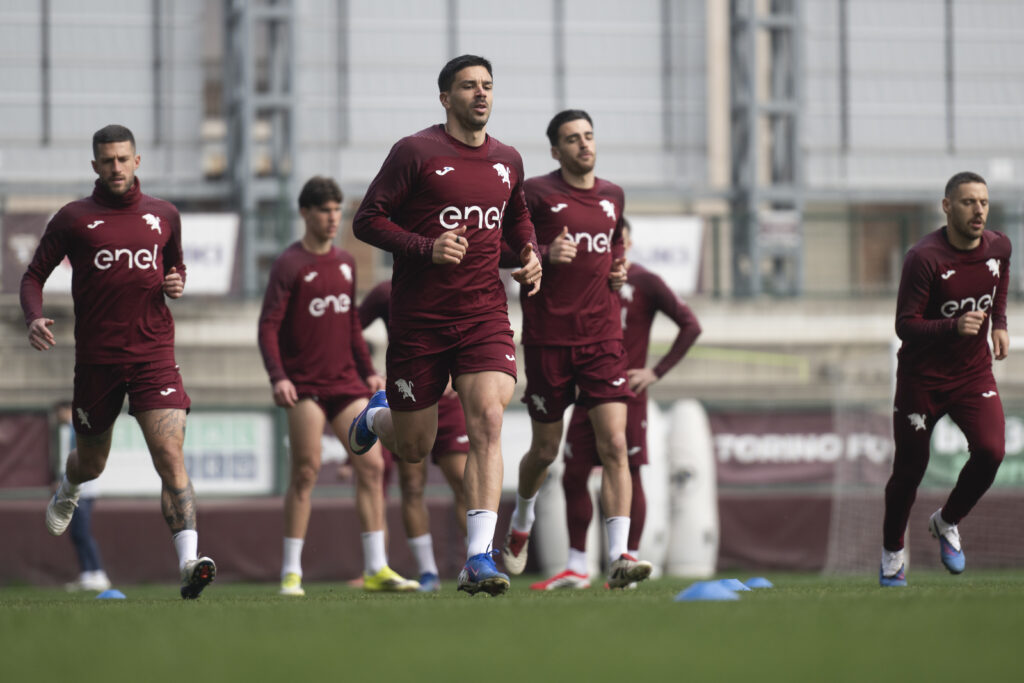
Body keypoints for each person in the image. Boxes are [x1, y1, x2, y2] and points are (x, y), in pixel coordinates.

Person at [350, 54, 541, 596]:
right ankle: (379, 415)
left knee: (488, 418)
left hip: (483, 316)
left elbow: (518, 217)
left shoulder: (508, 159)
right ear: (445, 97)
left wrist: (529, 254)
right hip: (420, 323)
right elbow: (367, 220)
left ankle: (479, 557)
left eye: (487, 85)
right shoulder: (415, 152)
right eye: (468, 86)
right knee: (413, 448)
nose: (480, 94)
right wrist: (424, 248)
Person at [21, 124, 215, 599]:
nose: (116, 168)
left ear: (137, 161)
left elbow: (176, 266)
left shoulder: (164, 214)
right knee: (93, 464)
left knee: (170, 458)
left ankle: (189, 562)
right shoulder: (73, 219)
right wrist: (34, 317)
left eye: (123, 159)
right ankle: (69, 486)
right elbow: (32, 276)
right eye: (107, 161)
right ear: (95, 166)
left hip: (153, 357)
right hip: (97, 362)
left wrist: (176, 281)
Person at [500, 109, 650, 590]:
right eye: (572, 139)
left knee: (613, 448)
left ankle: (621, 556)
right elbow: (501, 249)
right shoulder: (535, 195)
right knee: (544, 451)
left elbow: (616, 243)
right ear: (555, 150)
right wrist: (544, 253)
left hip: (604, 340)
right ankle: (522, 520)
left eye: (588, 136)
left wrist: (619, 268)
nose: (584, 145)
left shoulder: (612, 195)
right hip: (548, 342)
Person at [257, 176, 418, 596]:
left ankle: (376, 567)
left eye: (337, 211)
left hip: (346, 382)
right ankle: (291, 571)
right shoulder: (288, 265)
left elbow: (350, 324)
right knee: (306, 470)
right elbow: (268, 326)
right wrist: (279, 377)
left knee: (374, 466)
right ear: (305, 213)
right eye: (325, 211)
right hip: (305, 386)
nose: (333, 219)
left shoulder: (346, 263)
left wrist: (366, 370)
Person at [530, 219, 702, 589]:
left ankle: (628, 559)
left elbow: (690, 325)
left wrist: (655, 372)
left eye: (616, 238)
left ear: (627, 241)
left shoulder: (646, 281)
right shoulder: (581, 281)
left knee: (628, 470)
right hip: (586, 390)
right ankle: (577, 566)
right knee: (573, 473)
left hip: (626, 394)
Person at [880, 171, 1010, 587]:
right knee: (910, 471)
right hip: (922, 380)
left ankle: (947, 521)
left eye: (984, 202)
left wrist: (999, 324)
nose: (978, 210)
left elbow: (1000, 280)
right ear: (947, 206)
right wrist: (951, 327)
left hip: (973, 374)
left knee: (991, 451)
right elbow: (905, 325)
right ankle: (892, 553)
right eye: (969, 202)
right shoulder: (924, 258)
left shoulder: (999, 247)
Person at [359, 280, 471, 592]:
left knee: (462, 481)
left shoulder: (452, 280)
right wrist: (368, 372)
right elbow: (349, 329)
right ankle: (428, 573)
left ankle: (477, 560)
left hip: (449, 400)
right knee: (411, 483)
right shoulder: (385, 292)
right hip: (407, 390)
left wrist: (457, 372)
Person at [53, 401, 113, 592]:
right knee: (77, 532)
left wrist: (66, 483)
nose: (56, 417)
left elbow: (79, 462)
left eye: (58, 412)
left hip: (83, 490)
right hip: (80, 488)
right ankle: (88, 574)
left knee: (82, 532)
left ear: (66, 410)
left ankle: (98, 573)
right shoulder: (70, 430)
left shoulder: (77, 431)